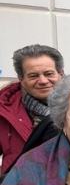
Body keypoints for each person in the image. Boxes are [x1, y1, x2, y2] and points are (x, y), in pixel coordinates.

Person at [0, 44, 64, 174]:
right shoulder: (4, 109)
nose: (43, 81)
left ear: (61, 73)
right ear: (21, 79)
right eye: (33, 76)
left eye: (48, 74)